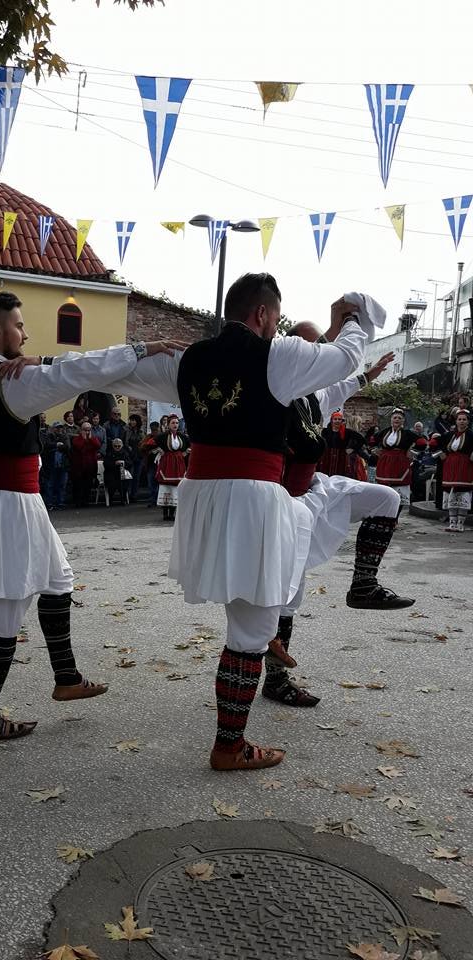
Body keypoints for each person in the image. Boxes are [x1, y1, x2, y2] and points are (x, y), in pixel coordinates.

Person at [96, 275, 379, 771]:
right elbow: (344, 359)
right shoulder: (277, 355)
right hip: (252, 497)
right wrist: (354, 318)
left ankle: (259, 653)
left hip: (204, 497)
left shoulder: (187, 359)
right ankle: (230, 745)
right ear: (265, 315)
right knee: (249, 625)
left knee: (255, 598)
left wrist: (51, 364)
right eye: (276, 317)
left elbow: (111, 373)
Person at [0, 291, 182, 742]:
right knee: (5, 616)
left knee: (58, 580)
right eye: (19, 324)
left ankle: (65, 677)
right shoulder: (10, 380)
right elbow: (80, 369)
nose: (25, 333)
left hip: (6, 501)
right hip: (7, 504)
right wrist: (141, 349)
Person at [259, 330, 411, 708]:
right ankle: (275, 680)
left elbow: (341, 387)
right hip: (281, 506)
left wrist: (369, 375)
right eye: (311, 351)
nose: (319, 357)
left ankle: (363, 585)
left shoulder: (316, 396)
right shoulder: (273, 394)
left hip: (315, 491)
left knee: (386, 498)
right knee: (287, 597)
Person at [434, 409, 473, 531]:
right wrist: (440, 453)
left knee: (462, 493)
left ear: (468, 422)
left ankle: (460, 524)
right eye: (459, 419)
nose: (461, 421)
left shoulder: (471, 435)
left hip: (464, 467)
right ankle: (452, 523)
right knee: (450, 494)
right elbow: (434, 442)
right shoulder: (450, 435)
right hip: (450, 467)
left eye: (464, 419)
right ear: (456, 421)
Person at [372, 409, 418, 506]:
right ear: (391, 420)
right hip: (385, 463)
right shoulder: (384, 432)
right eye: (395, 418)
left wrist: (411, 451)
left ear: (403, 421)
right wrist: (375, 450)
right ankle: (385, 515)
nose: (397, 420)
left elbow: (421, 442)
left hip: (400, 463)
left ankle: (395, 517)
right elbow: (371, 440)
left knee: (399, 490)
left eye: (399, 418)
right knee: (384, 489)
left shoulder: (407, 433)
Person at [156, 414, 189, 520]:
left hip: (178, 464)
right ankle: (165, 513)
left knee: (176, 487)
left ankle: (173, 513)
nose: (175, 425)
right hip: (167, 463)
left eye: (177, 423)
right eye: (173, 423)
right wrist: (158, 449)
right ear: (168, 424)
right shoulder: (163, 436)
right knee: (166, 487)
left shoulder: (182, 436)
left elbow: (190, 445)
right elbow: (148, 444)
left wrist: (186, 452)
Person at [318, 411, 368, 479]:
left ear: (342, 421)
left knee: (340, 476)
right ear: (332, 420)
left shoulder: (347, 432)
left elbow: (362, 440)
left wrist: (353, 448)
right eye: (335, 419)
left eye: (339, 419)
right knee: (325, 476)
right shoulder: (325, 431)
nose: (337, 421)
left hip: (341, 457)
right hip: (327, 456)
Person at [70, 420, 101, 506]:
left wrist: (90, 438)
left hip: (90, 466)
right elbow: (78, 446)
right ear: (81, 430)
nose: (87, 432)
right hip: (79, 467)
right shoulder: (77, 438)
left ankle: (85, 501)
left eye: (88, 430)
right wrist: (83, 438)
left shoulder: (93, 438)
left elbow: (98, 445)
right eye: (85, 430)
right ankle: (77, 501)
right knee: (78, 485)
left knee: (88, 484)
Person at [42, 421, 70, 509]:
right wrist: (57, 444)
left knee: (62, 484)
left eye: (60, 427)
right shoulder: (48, 436)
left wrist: (56, 446)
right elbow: (46, 446)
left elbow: (67, 447)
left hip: (63, 464)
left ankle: (60, 502)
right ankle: (50, 503)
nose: (59, 429)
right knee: (50, 485)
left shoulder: (64, 436)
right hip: (51, 464)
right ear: (53, 428)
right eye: (57, 427)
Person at [103, 437, 132, 505]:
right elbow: (106, 464)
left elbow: (130, 463)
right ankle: (110, 499)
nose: (117, 447)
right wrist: (114, 463)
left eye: (119, 446)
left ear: (121, 446)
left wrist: (124, 463)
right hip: (111, 473)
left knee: (125, 482)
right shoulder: (109, 453)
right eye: (115, 446)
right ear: (113, 446)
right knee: (111, 482)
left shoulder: (125, 453)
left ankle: (123, 498)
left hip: (122, 473)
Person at [139, 421, 161, 507]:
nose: (154, 432)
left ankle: (158, 499)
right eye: (153, 430)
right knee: (151, 483)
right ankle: (153, 499)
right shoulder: (148, 437)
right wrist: (150, 444)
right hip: (150, 464)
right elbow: (141, 447)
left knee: (159, 483)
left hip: (160, 464)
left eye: (155, 430)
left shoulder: (162, 437)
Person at [126, 414, 144, 502]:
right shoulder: (127, 430)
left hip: (139, 456)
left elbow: (143, 442)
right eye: (131, 420)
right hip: (130, 456)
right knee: (130, 476)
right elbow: (125, 442)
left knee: (137, 477)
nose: (132, 422)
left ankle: (134, 495)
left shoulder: (141, 431)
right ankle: (128, 495)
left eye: (134, 420)